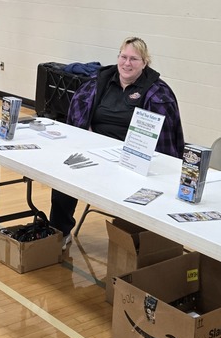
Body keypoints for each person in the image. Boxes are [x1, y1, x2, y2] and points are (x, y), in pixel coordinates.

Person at [49, 36, 184, 237]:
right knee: (64, 176)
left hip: (132, 160)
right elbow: (76, 120)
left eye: (134, 59)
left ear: (145, 63)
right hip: (95, 152)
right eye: (124, 57)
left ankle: (134, 240)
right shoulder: (99, 82)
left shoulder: (158, 94)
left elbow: (164, 144)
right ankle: (60, 233)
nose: (127, 63)